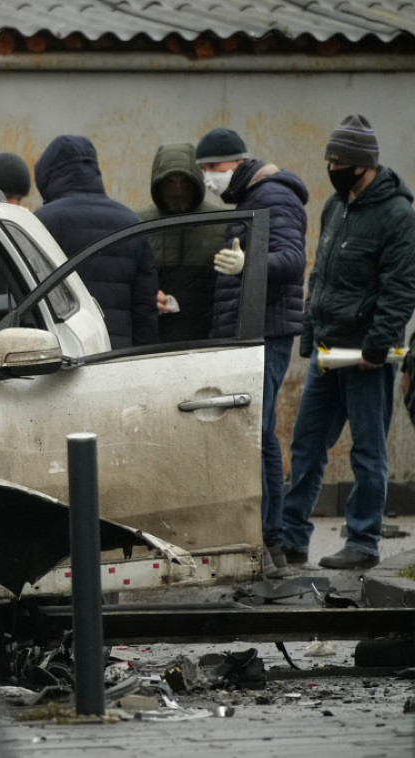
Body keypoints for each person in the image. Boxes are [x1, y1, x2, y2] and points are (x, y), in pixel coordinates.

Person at [281, 115, 415, 570]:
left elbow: (400, 289)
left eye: (339, 161)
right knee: (306, 445)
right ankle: (291, 538)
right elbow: (320, 276)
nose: (332, 168)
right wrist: (309, 335)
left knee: (367, 451)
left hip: (366, 358)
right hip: (327, 352)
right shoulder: (335, 207)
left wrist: (376, 347)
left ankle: (363, 542)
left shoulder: (397, 215)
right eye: (330, 160)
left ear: (363, 164)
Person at [195, 127, 309, 578]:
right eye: (203, 169)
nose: (209, 177)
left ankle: (269, 540)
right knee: (255, 436)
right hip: (252, 331)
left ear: (237, 162)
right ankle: (264, 540)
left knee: (257, 437)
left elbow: (292, 260)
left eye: (214, 167)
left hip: (266, 332)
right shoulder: (251, 197)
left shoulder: (273, 196)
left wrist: (249, 264)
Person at [34, 135, 157, 348]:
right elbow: (145, 307)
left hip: (65, 351)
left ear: (46, 175)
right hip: (118, 354)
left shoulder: (43, 221)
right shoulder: (132, 223)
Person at [137, 143, 225, 342]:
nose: (177, 191)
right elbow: (127, 281)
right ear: (158, 185)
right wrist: (146, 297)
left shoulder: (221, 223)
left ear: (196, 182)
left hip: (211, 340)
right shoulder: (140, 225)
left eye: (184, 182)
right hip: (153, 341)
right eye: (169, 183)